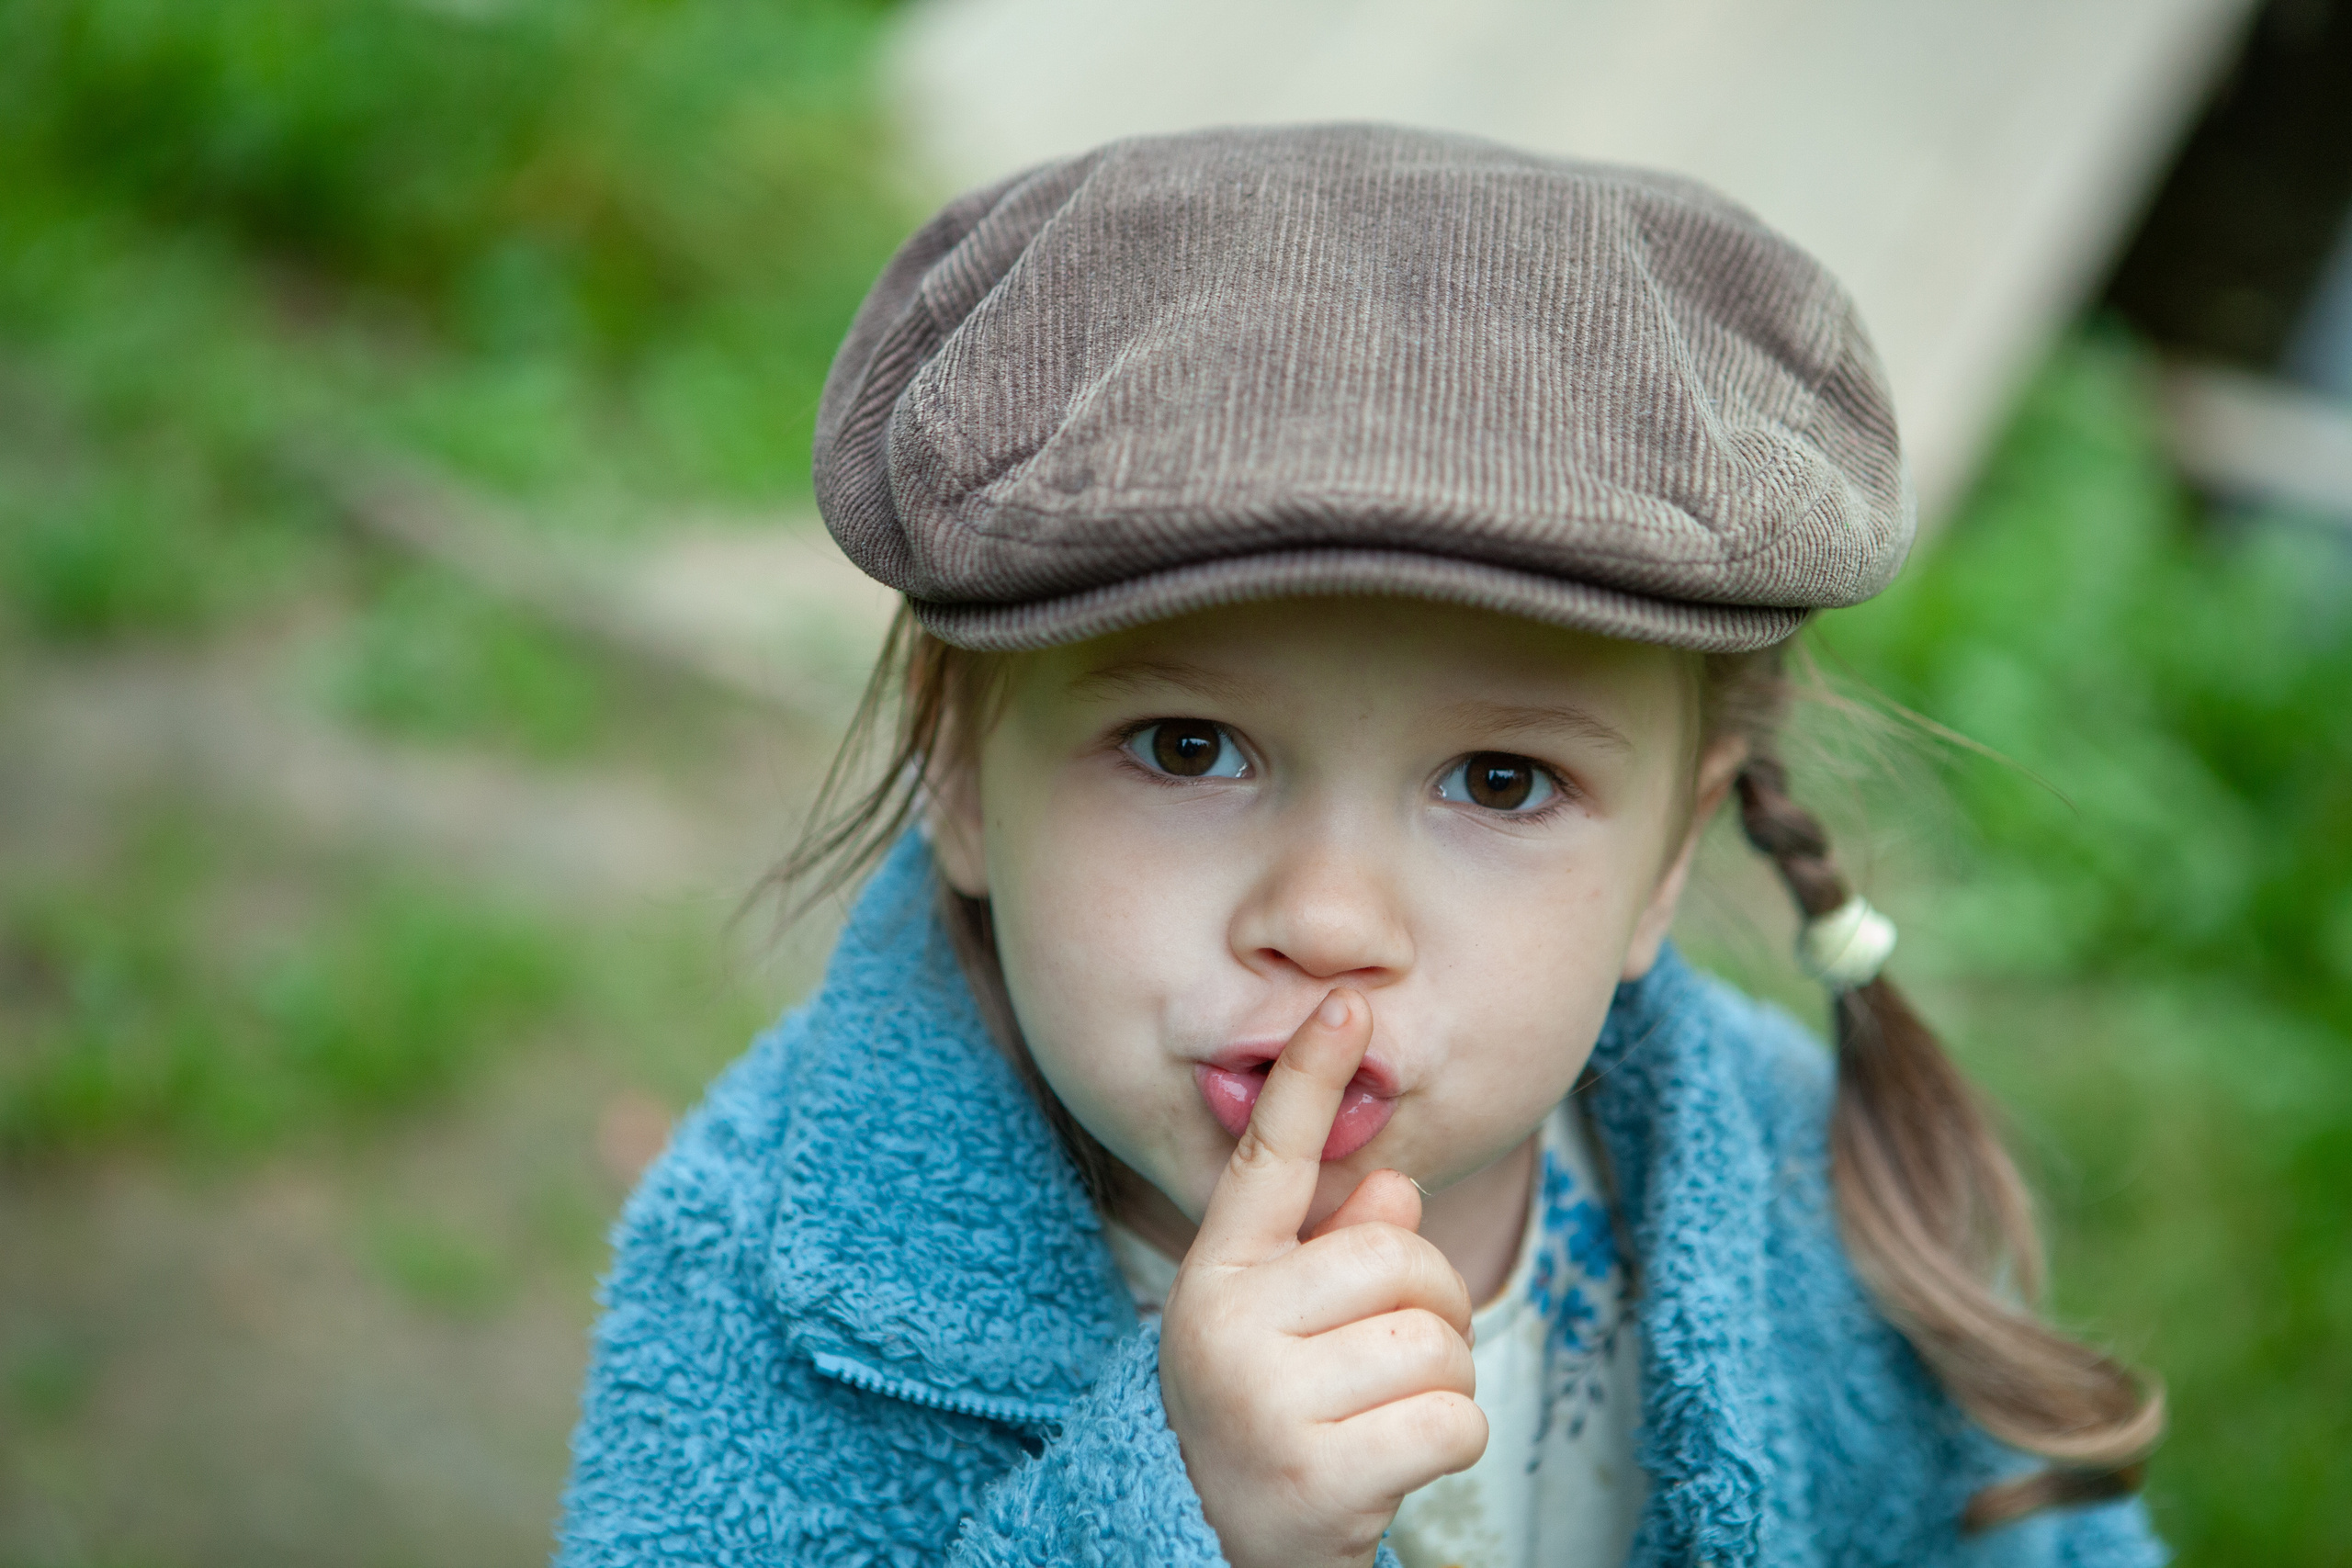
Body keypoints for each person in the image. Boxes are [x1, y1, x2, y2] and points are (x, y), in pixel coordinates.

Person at [556, 124, 2165, 1568]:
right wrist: (1179, 1518)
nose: (1328, 920)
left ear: (1670, 859)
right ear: (966, 770)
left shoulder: (1800, 1207)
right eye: (1190, 747)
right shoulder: (772, 1265)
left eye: (1503, 781)